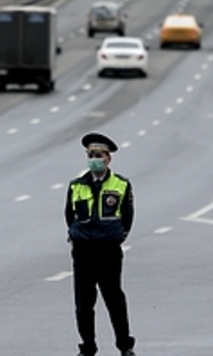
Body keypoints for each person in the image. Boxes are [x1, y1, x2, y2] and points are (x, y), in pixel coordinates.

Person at [64, 132, 136, 356]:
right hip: (84, 251)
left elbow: (127, 217)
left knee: (114, 299)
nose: (95, 159)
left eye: (99, 155)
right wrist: (78, 236)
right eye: (91, 155)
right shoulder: (77, 185)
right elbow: (69, 215)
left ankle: (125, 346)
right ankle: (87, 347)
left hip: (108, 251)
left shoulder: (121, 184)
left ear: (108, 159)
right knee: (84, 303)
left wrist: (115, 237)